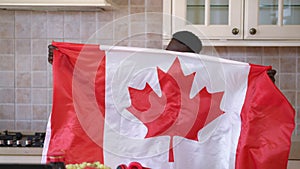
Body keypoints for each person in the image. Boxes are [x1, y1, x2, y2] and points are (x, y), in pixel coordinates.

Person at [165, 30, 276, 83]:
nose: (173, 60)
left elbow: (237, 85)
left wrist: (260, 78)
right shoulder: (154, 72)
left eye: (180, 56)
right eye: (168, 54)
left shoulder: (207, 77)